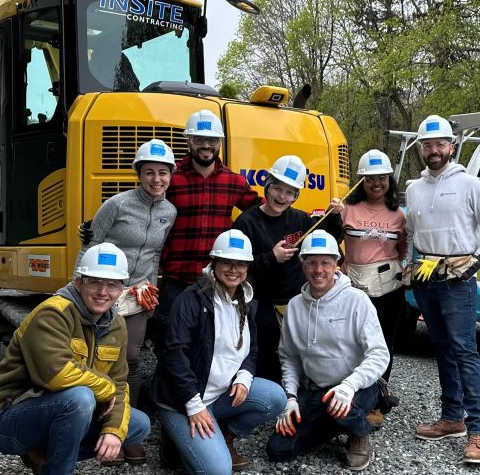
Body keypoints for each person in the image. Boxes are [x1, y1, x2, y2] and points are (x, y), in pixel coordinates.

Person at [0, 243, 151, 474]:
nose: (103, 292)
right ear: (79, 282)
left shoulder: (116, 324)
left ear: (121, 290)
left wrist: (113, 431)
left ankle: (46, 456)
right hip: (9, 416)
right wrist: (106, 388)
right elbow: (56, 374)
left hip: (60, 408)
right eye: (95, 281)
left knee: (138, 425)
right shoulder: (53, 313)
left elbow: (119, 383)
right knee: (80, 397)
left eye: (112, 284)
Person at [405, 114, 480, 465]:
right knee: (442, 346)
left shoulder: (470, 185)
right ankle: (452, 418)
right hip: (426, 274)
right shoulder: (414, 189)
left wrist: (474, 262)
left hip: (457, 276)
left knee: (465, 350)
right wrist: (409, 262)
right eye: (427, 145)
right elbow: (410, 234)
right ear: (420, 148)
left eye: (439, 144)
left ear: (451, 146)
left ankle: (478, 432)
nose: (433, 151)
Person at [152, 229, 286, 474]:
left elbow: (251, 349)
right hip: (183, 400)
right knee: (218, 471)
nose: (234, 269)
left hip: (220, 393)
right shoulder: (192, 299)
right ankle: (175, 436)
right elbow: (172, 352)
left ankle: (224, 436)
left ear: (247, 267)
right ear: (214, 263)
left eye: (240, 264)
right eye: (227, 262)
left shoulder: (246, 299)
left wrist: (245, 378)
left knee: (275, 398)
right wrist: (193, 405)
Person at [267, 230, 389, 471]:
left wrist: (348, 386)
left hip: (356, 387)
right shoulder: (294, 306)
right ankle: (335, 422)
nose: (318, 270)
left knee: (341, 409)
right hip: (316, 390)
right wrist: (290, 397)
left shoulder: (357, 300)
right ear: (302, 265)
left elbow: (379, 353)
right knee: (279, 450)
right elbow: (289, 357)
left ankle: (359, 430)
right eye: (311, 262)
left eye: (325, 262)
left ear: (337, 264)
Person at [76, 138, 177, 427]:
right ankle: (91, 415)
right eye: (149, 172)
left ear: (170, 176)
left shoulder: (169, 212)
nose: (156, 179)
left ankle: (124, 423)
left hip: (137, 294)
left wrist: (151, 288)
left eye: (162, 173)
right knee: (95, 355)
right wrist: (78, 285)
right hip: (104, 289)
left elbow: (156, 252)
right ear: (139, 174)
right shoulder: (117, 205)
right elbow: (90, 244)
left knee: (130, 357)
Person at [232, 154, 341, 383]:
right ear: (267, 187)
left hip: (295, 300)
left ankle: (297, 397)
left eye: (290, 192)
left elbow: (328, 241)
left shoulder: (300, 220)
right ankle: (269, 399)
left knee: (300, 351)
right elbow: (236, 269)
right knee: (266, 352)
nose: (282, 196)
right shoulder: (246, 223)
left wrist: (334, 217)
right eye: (277, 188)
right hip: (261, 303)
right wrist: (272, 257)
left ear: (295, 196)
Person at [155, 109, 262, 341]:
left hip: (217, 280)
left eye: (212, 140)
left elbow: (264, 210)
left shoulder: (233, 182)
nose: (206, 145)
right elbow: (144, 211)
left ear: (220, 142)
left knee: (212, 341)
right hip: (177, 279)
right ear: (189, 141)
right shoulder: (171, 180)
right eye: (199, 139)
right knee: (169, 341)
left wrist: (313, 218)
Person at [328, 149, 407, 427]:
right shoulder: (346, 209)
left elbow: (405, 249)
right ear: (361, 181)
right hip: (355, 287)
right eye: (370, 178)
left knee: (382, 344)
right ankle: (346, 393)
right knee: (351, 343)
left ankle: (376, 401)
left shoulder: (399, 215)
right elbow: (327, 240)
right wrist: (332, 215)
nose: (376, 183)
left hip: (388, 288)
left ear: (389, 180)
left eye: (382, 177)